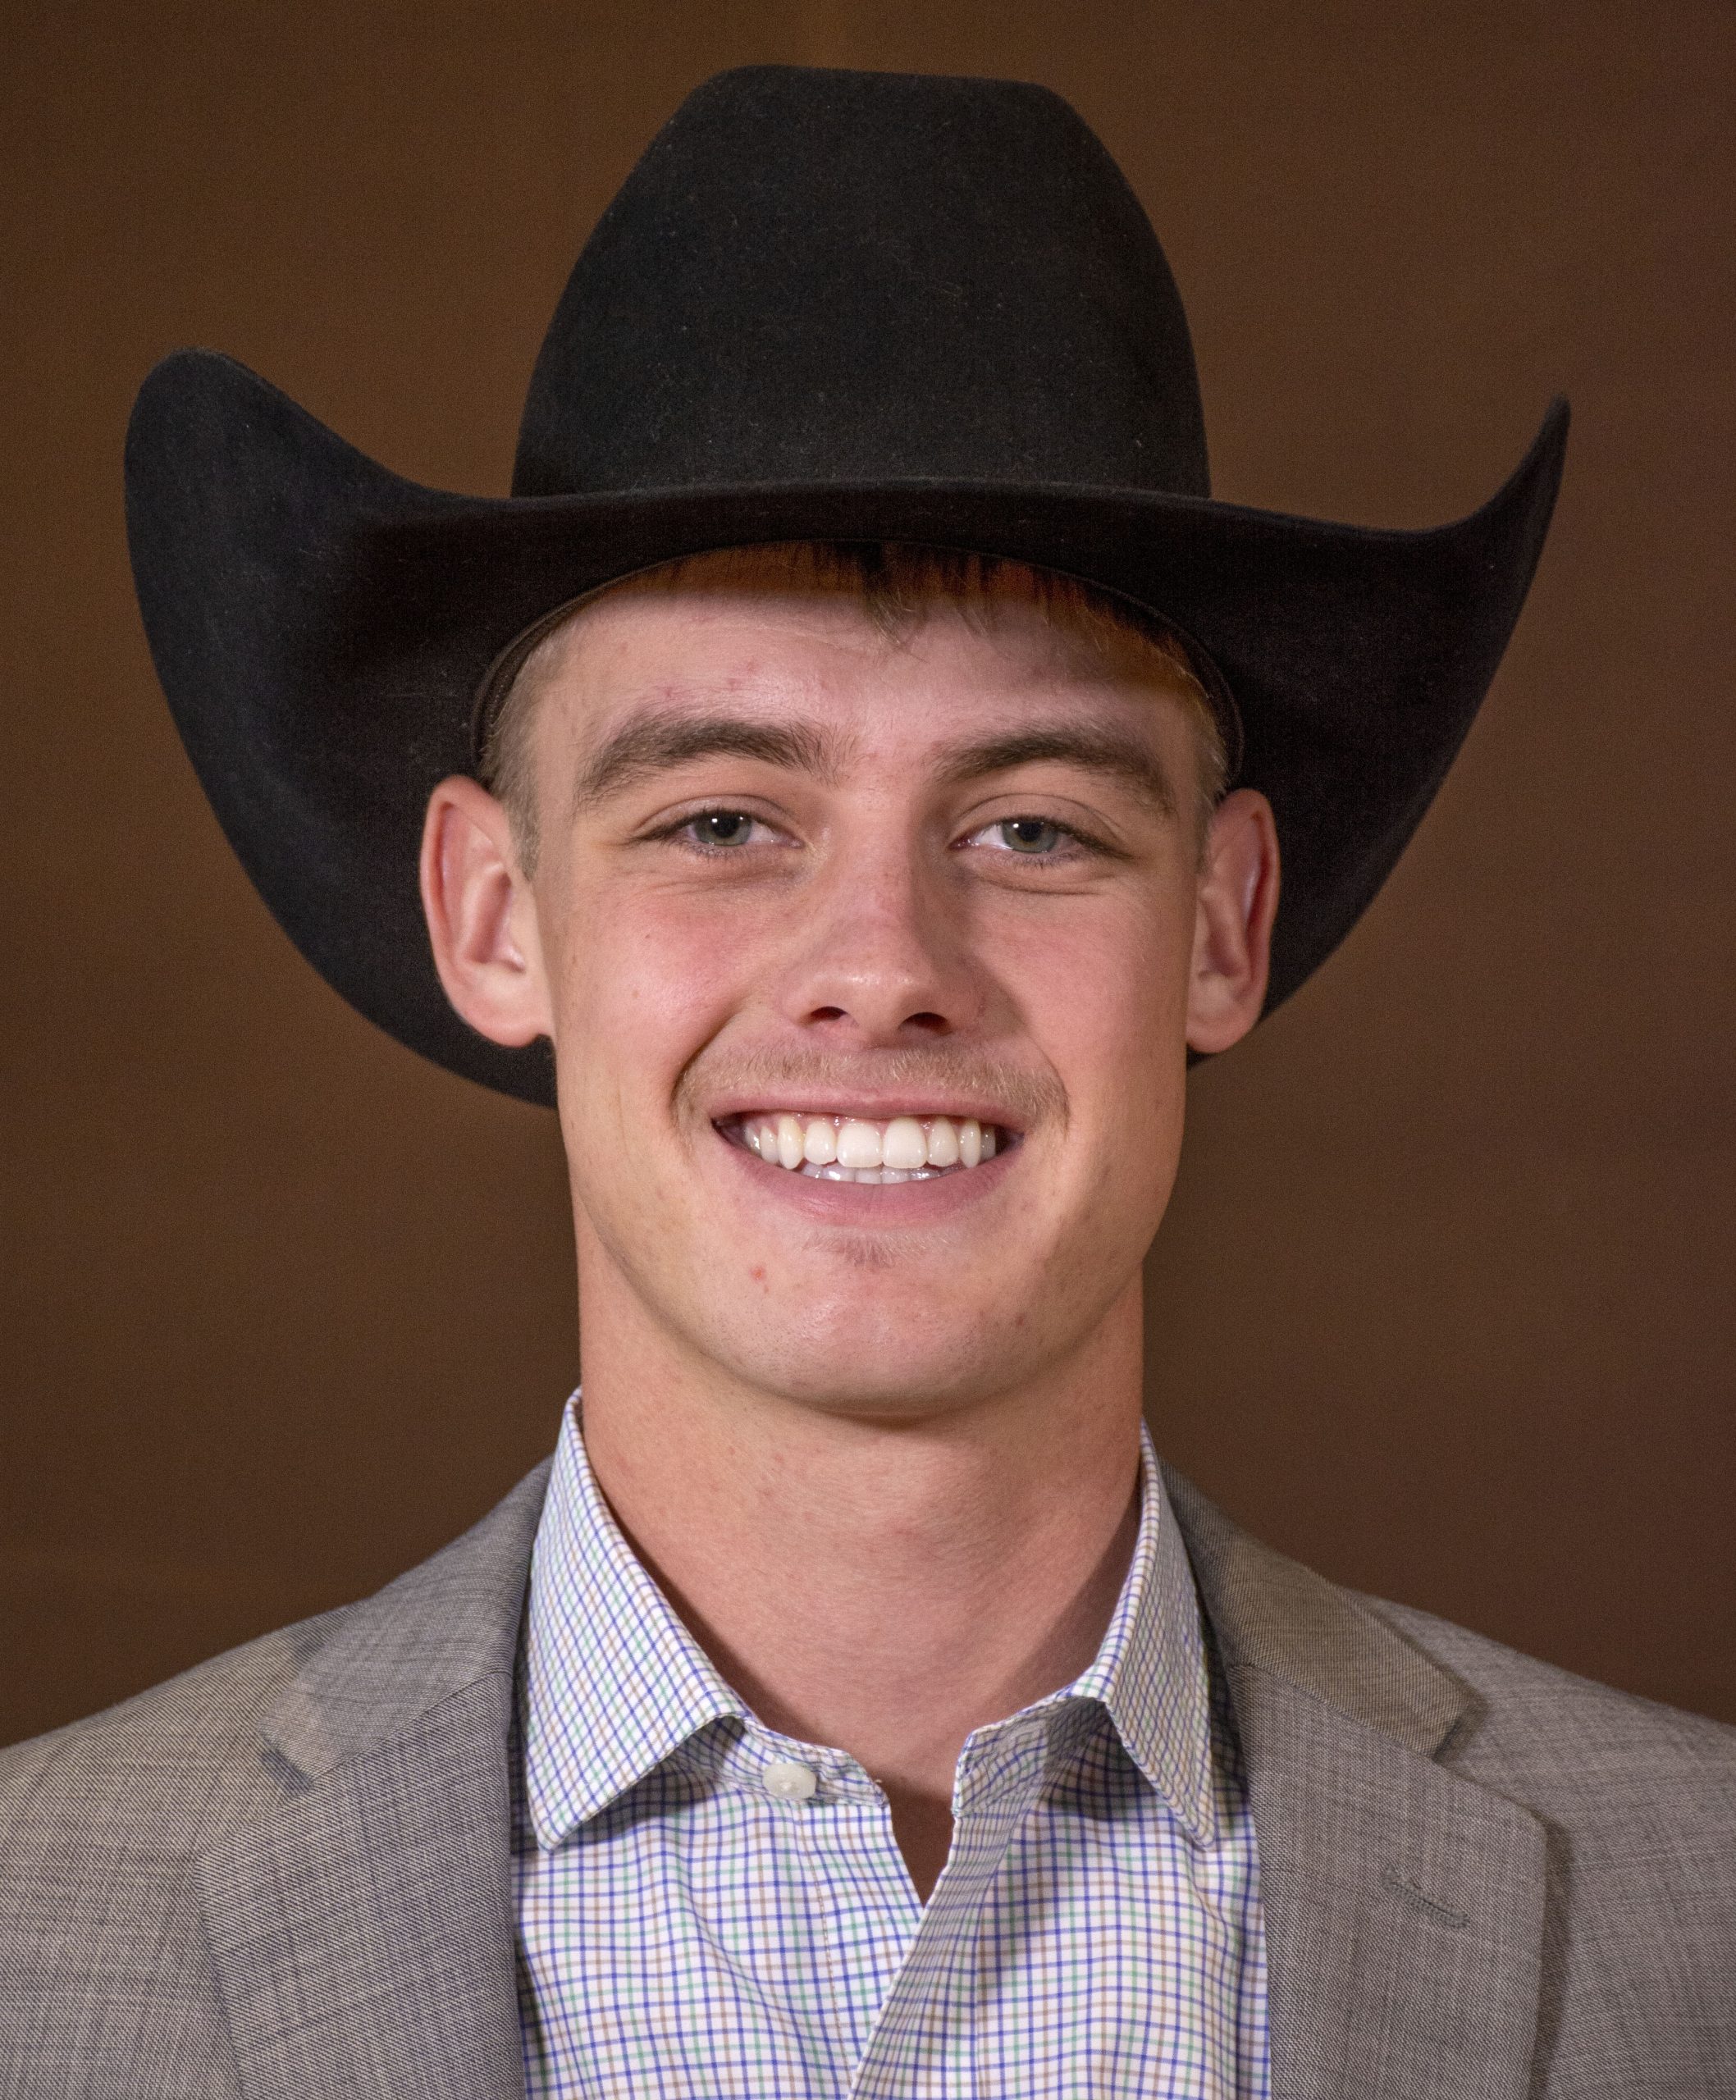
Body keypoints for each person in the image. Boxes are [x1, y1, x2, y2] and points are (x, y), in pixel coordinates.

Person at [1, 63, 1729, 2100]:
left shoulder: (1690, 1905)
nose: (883, 971)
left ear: (1220, 923)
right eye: (721, 819)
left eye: (1033, 828)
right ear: (491, 913)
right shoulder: (38, 1933)